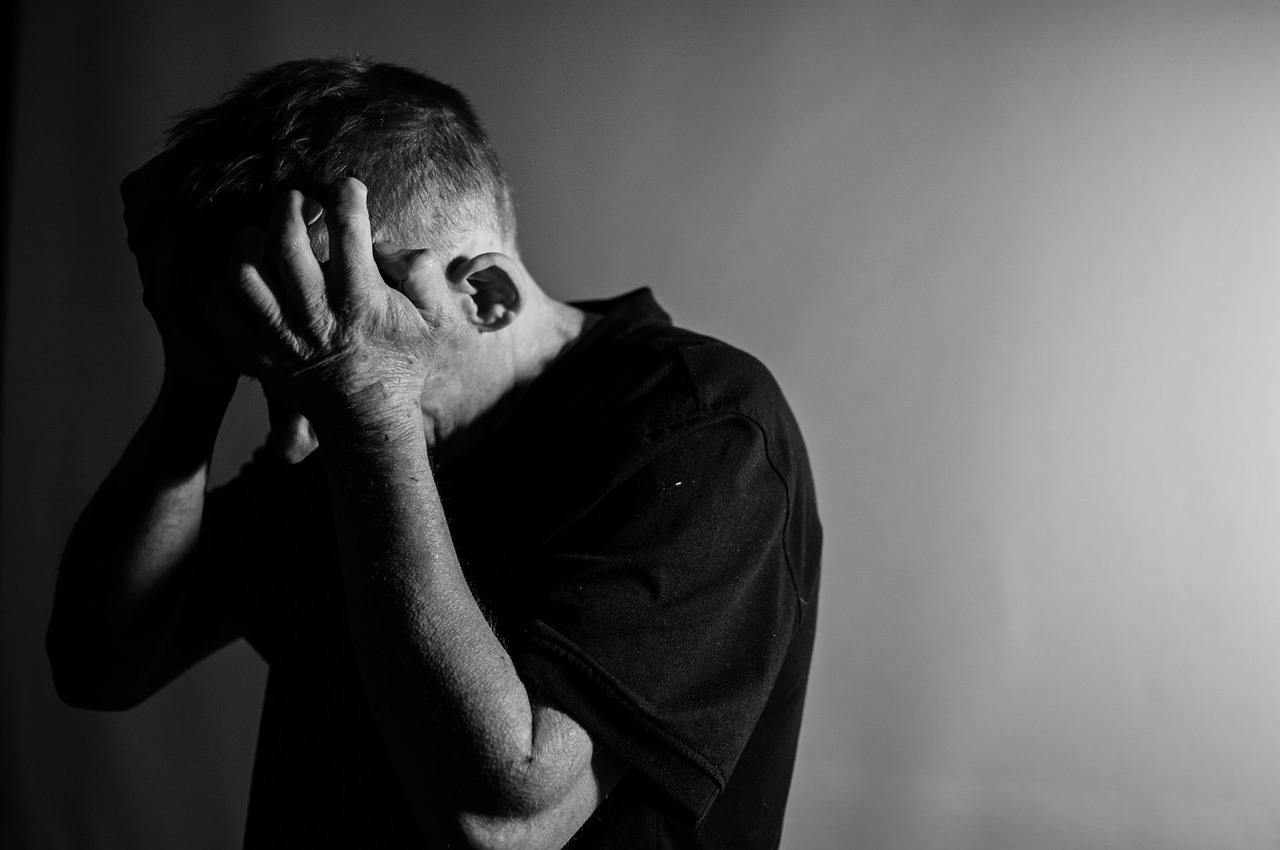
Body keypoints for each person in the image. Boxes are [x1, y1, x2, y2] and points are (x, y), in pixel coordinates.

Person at [46, 57, 821, 849]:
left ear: (486, 297)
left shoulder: (702, 424)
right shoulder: (341, 416)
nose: (292, 345)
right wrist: (196, 377)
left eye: (330, 303)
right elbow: (101, 664)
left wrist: (368, 406)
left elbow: (502, 821)